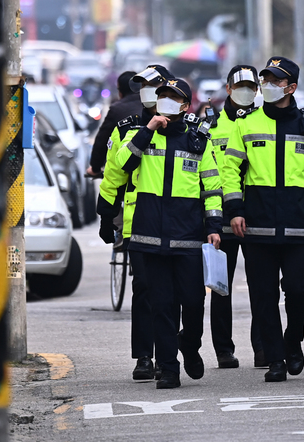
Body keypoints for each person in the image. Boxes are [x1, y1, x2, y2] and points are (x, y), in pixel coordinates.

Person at [223, 57, 304, 382]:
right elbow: (230, 170)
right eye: (266, 79)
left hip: (299, 224)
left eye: (276, 80)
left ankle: (293, 342)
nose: (269, 85)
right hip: (256, 225)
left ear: (292, 87)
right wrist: (235, 210)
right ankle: (275, 359)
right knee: (263, 296)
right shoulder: (246, 123)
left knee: (298, 291)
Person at [115, 78, 223, 389]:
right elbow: (122, 164)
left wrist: (214, 227)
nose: (166, 101)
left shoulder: (199, 140)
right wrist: (148, 129)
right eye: (161, 96)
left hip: (188, 236)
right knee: (161, 306)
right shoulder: (143, 135)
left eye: (173, 98)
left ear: (185, 106)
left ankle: (189, 343)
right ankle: (169, 367)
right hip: (150, 237)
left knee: (192, 302)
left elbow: (212, 188)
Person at [97, 65, 175, 381]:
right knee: (143, 289)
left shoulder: (188, 130)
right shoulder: (126, 127)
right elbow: (114, 174)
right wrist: (105, 215)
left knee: (171, 292)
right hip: (137, 222)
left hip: (176, 222)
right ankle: (144, 356)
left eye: (152, 85)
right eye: (141, 86)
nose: (145, 91)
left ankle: (170, 352)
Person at [208, 65, 264, 369]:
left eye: (251, 86)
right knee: (220, 286)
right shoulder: (210, 126)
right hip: (220, 217)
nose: (246, 91)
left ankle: (262, 347)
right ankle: (223, 349)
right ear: (228, 88)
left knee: (260, 285)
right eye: (239, 86)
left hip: (254, 215)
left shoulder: (262, 122)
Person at [87, 71, 143, 177]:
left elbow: (101, 140)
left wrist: (95, 168)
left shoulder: (117, 109)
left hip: (122, 172)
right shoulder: (153, 106)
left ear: (120, 91)